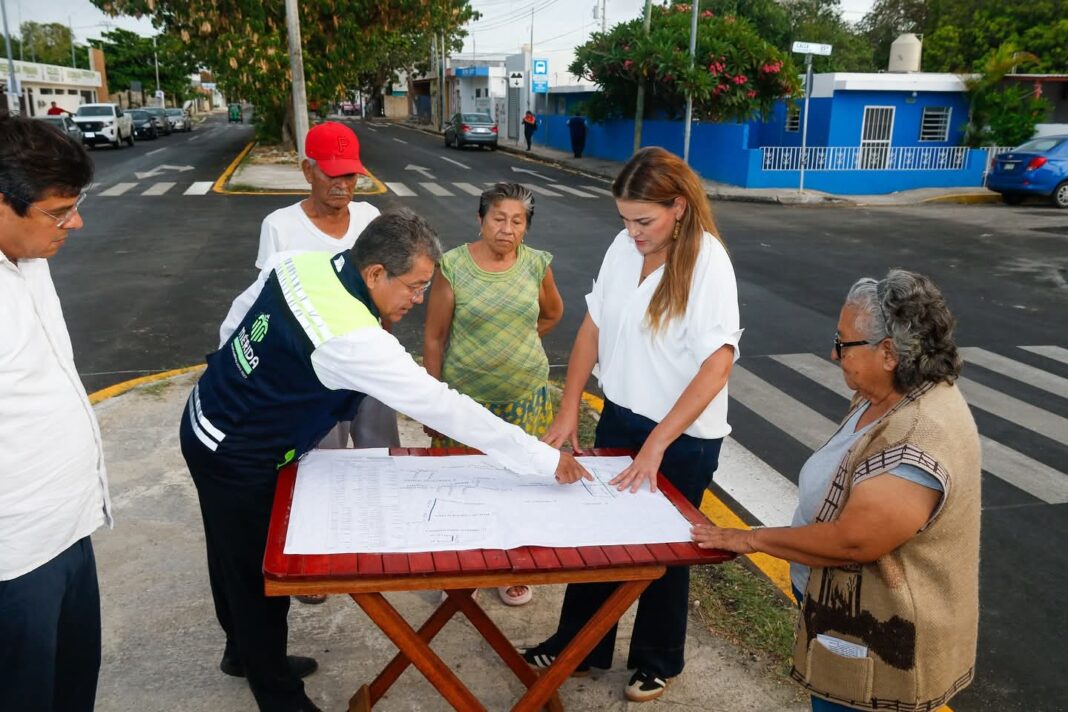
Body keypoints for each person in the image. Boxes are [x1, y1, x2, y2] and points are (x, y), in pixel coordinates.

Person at [180, 208, 590, 712]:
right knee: (254, 575)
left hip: (207, 415)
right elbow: (445, 406)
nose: (418, 300)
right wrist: (541, 457)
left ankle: (241, 653)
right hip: (235, 449)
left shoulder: (303, 264)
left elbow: (239, 314)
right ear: (374, 273)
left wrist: (229, 372)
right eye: (414, 287)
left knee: (227, 553)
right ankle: (277, 692)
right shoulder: (353, 337)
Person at [692, 269, 980, 712]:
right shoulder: (883, 394)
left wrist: (750, 539)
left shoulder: (918, 433)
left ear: (888, 352)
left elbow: (854, 540)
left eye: (844, 343)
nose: (833, 353)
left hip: (880, 634)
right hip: (848, 616)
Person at [522, 146, 741, 703]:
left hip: (683, 437)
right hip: (620, 416)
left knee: (663, 551)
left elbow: (718, 364)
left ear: (680, 208)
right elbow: (592, 326)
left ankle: (657, 659)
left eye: (644, 220)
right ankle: (580, 645)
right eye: (624, 219)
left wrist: (658, 445)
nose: (632, 231)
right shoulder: (623, 248)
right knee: (599, 538)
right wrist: (570, 405)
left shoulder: (708, 262)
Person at [0, 115, 110, 711]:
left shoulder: (29, 259)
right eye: (59, 210)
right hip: (13, 557)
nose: (77, 222)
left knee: (72, 688)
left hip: (69, 527)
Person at [423, 182, 564, 607]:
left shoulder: (537, 264)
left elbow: (553, 313)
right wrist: (433, 402)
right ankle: (460, 562)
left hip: (526, 395)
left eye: (517, 221)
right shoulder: (453, 266)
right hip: (467, 399)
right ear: (480, 220)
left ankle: (513, 563)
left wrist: (516, 343)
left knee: (520, 481)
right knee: (462, 483)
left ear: (526, 227)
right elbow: (434, 338)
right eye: (498, 218)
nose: (507, 229)